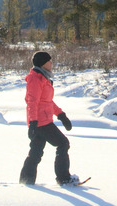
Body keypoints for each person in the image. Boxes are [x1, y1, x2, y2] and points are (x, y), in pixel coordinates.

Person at [19, 51, 78, 185]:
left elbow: (47, 101)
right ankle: (64, 178)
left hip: (41, 121)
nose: (51, 63)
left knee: (35, 153)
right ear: (42, 63)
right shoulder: (35, 79)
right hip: (41, 122)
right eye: (49, 61)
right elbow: (32, 102)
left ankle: (26, 180)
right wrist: (33, 123)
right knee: (63, 143)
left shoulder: (43, 77)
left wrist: (61, 115)